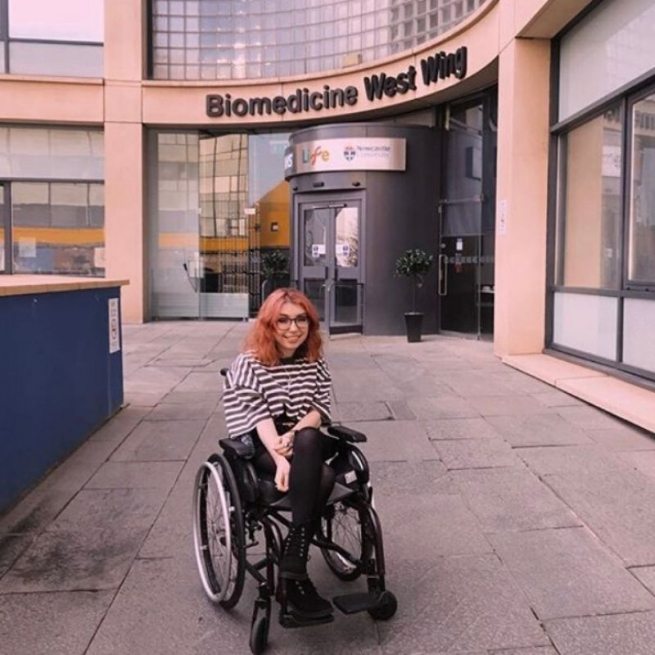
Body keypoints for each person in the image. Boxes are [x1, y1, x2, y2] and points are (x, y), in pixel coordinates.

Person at [223, 288, 336, 621]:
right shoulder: (249, 363)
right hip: (260, 442)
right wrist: (280, 458)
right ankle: (296, 568)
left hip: (302, 437)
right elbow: (257, 418)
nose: (293, 328)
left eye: (301, 320)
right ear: (269, 324)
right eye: (283, 320)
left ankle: (294, 556)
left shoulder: (313, 361)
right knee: (325, 476)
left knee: (310, 437)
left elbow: (319, 409)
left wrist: (293, 436)